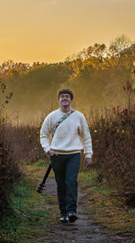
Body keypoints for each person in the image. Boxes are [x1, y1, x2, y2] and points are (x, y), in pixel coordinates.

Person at [39, 88, 93, 223]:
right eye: (62, 96)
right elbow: (43, 134)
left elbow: (86, 136)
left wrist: (88, 154)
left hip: (74, 154)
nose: (65, 99)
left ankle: (71, 211)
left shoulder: (79, 116)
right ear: (58, 99)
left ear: (71, 100)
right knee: (61, 185)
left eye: (67, 97)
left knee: (71, 182)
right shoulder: (51, 117)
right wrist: (48, 150)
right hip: (56, 155)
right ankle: (63, 213)